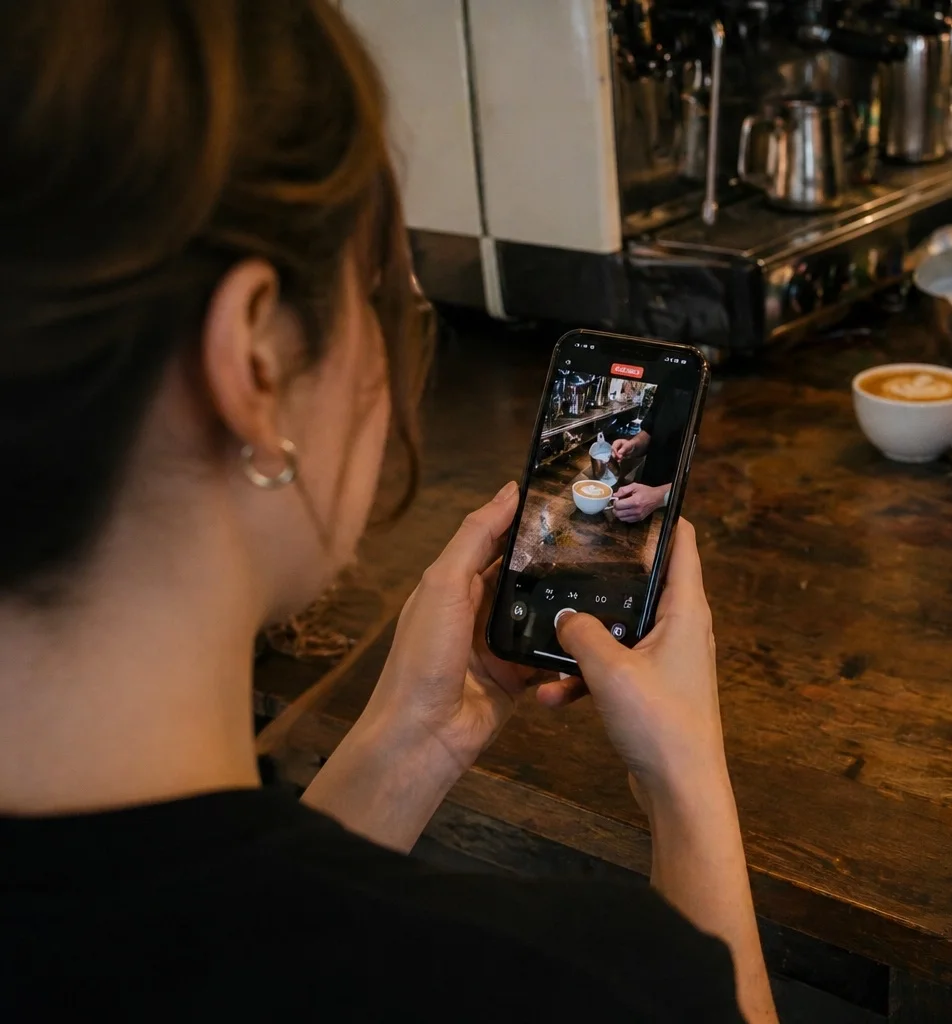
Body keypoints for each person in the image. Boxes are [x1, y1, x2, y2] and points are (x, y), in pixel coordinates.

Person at [0, 3, 775, 1022]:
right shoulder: (575, 987)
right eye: (388, 301)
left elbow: (213, 935)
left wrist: (415, 741)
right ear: (255, 364)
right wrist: (687, 784)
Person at [612, 388, 693, 523]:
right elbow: (651, 430)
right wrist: (633, 445)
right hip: (643, 496)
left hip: (684, 510)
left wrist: (660, 496)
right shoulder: (671, 380)